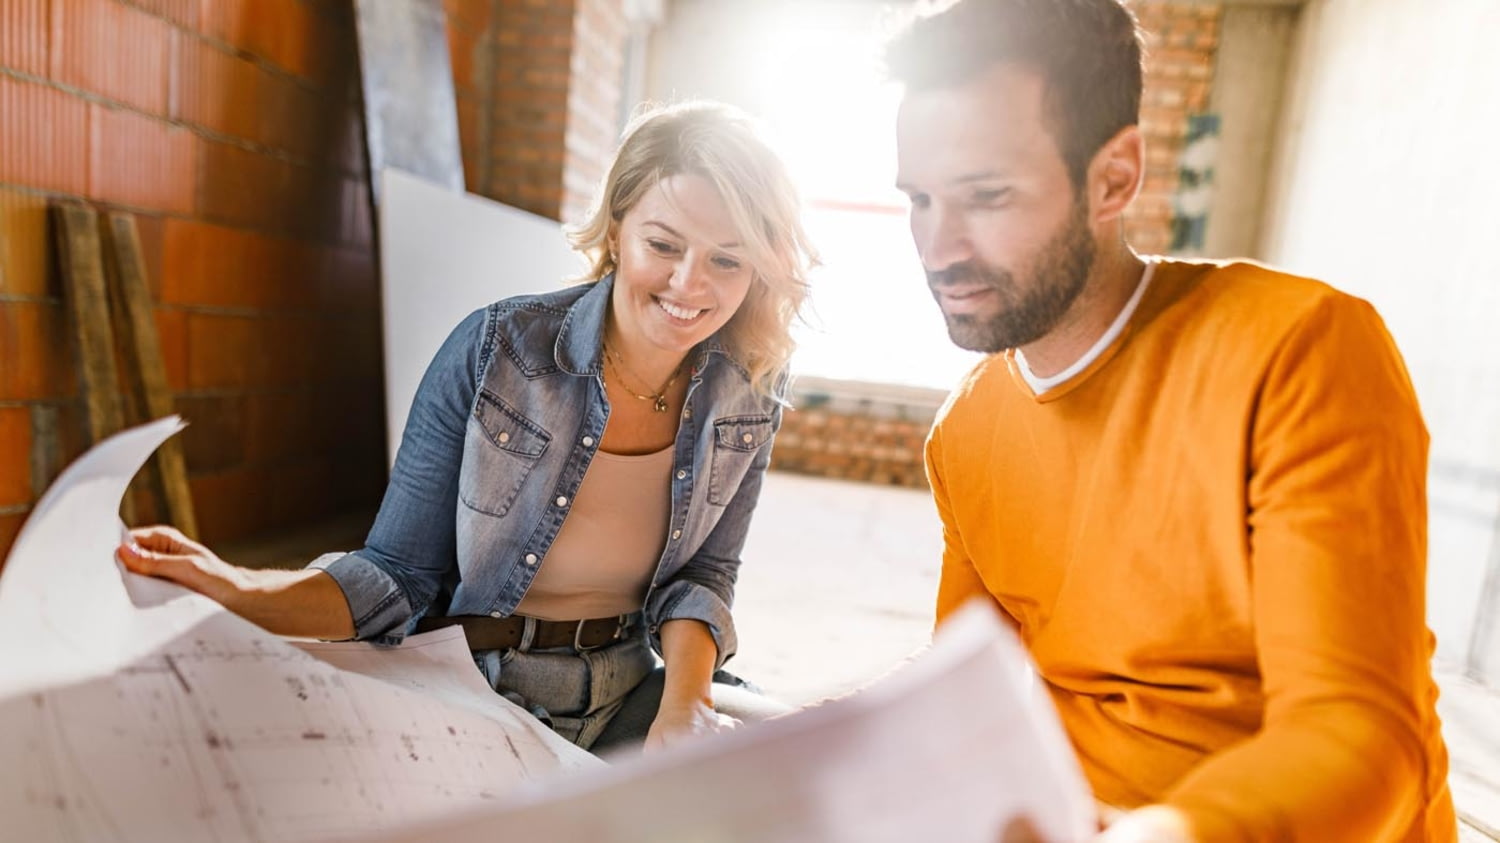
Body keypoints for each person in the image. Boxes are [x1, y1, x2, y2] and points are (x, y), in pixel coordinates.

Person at [885, 1, 1456, 840]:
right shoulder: (966, 429)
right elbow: (967, 695)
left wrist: (1173, 831)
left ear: (1115, 176)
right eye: (920, 198)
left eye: (986, 196)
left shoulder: (1301, 348)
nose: (939, 245)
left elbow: (1363, 734)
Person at [117, 100, 816, 754]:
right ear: (616, 229)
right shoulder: (498, 350)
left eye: (727, 258)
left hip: (632, 687)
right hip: (475, 688)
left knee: (795, 772)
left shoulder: (749, 386)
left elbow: (704, 574)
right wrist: (236, 587)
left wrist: (682, 709)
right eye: (663, 244)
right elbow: (395, 576)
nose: (690, 284)